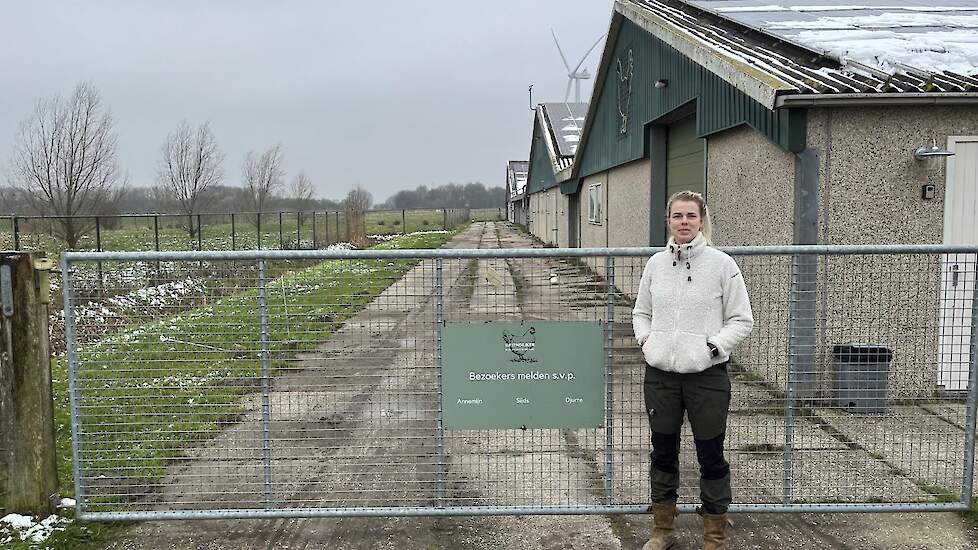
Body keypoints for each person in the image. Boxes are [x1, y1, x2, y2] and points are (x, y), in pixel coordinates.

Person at [632, 190, 754, 550]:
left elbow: (741, 319)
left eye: (691, 216)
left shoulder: (722, 265)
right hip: (662, 377)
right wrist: (646, 342)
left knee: (710, 454)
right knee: (663, 452)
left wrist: (712, 348)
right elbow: (641, 312)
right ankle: (662, 530)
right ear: (668, 221)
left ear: (702, 221)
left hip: (707, 377)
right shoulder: (655, 264)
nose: (683, 222)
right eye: (677, 216)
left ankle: (713, 535)